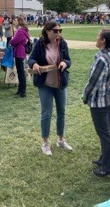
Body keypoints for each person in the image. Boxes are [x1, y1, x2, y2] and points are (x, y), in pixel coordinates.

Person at [27, 21, 73, 156]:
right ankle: (45, 143)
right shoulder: (40, 44)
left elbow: (68, 60)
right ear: (47, 31)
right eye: (55, 31)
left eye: (60, 30)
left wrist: (65, 62)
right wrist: (34, 64)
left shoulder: (62, 43)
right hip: (45, 84)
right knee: (46, 113)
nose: (58, 33)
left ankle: (60, 140)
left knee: (61, 112)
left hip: (60, 83)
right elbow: (31, 58)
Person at [82, 29, 110, 177]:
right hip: (108, 99)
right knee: (107, 131)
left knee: (104, 133)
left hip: (100, 102)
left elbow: (93, 82)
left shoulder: (102, 60)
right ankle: (104, 159)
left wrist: (85, 96)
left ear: (103, 40)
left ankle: (108, 168)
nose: (96, 38)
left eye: (98, 36)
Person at [9, 17, 31, 98]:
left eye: (15, 20)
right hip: (20, 53)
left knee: (21, 73)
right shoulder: (22, 31)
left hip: (19, 53)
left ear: (19, 22)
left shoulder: (20, 31)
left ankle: (22, 92)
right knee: (20, 72)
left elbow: (13, 42)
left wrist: (12, 38)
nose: (14, 21)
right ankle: (20, 90)